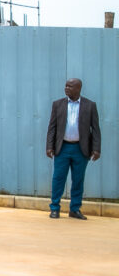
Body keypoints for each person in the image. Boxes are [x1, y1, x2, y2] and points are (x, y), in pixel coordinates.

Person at [46, 78, 101, 220]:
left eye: (70, 86)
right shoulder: (58, 104)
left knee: (78, 180)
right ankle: (55, 208)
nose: (66, 88)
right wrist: (49, 146)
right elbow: (52, 127)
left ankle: (74, 209)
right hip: (62, 148)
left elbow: (95, 129)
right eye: (65, 85)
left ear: (78, 88)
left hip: (81, 149)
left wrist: (96, 149)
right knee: (58, 178)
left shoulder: (90, 105)